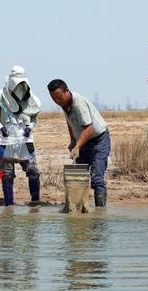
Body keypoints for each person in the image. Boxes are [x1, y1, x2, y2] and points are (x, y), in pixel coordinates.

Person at [47, 79, 110, 207]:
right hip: (83, 141)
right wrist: (73, 140)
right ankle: (78, 210)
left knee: (97, 179)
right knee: (77, 179)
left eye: (59, 97)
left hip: (99, 141)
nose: (57, 101)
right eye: (54, 99)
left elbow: (89, 128)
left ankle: (100, 213)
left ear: (67, 91)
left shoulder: (78, 104)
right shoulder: (64, 104)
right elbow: (69, 123)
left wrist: (77, 146)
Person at [0, 66, 41, 206]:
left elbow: (35, 117)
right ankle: (9, 206)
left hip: (26, 140)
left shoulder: (30, 96)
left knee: (33, 171)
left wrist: (30, 127)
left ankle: (35, 203)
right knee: (7, 174)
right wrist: (1, 127)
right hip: (5, 141)